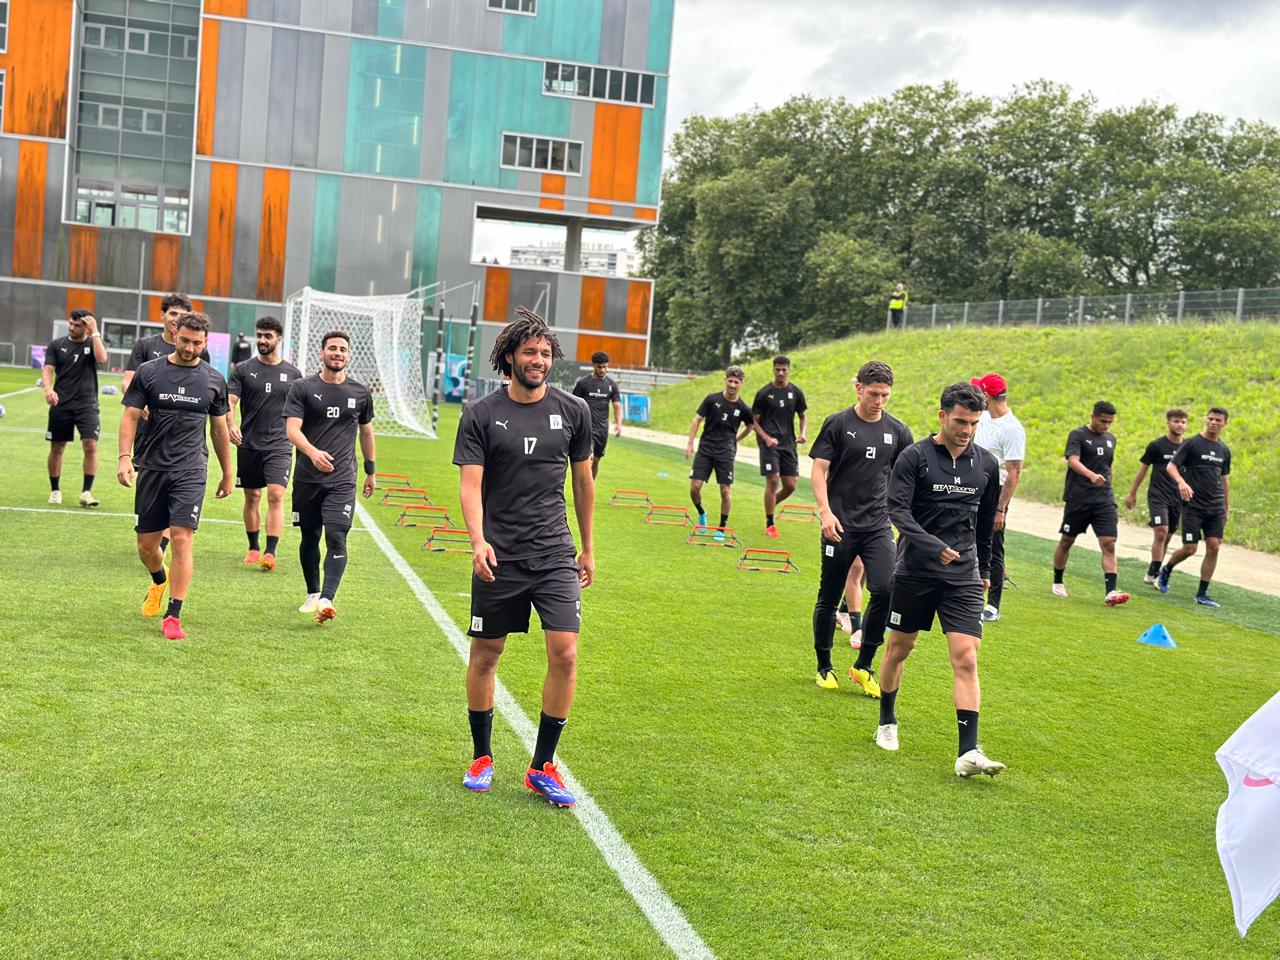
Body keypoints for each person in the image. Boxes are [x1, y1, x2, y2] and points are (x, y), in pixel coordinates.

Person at [453, 307, 595, 807]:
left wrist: (588, 546)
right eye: (530, 352)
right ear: (509, 357)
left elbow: (583, 482)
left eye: (545, 353)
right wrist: (478, 540)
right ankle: (482, 756)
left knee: (566, 653)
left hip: (554, 553)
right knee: (486, 655)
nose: (539, 360)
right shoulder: (480, 414)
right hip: (500, 555)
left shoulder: (574, 411)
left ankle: (542, 766)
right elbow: (470, 486)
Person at [877, 382, 1004, 777]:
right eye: (961, 422)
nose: (967, 430)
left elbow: (986, 523)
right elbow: (897, 511)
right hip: (915, 570)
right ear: (943, 416)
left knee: (966, 657)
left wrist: (985, 570)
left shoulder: (986, 465)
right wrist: (933, 546)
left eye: (974, 423)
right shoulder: (914, 457)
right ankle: (887, 720)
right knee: (900, 648)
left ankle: (969, 751)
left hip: (963, 575)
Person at [117, 312, 232, 641]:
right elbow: (130, 417)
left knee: (182, 538)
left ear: (205, 343)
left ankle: (173, 614)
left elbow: (219, 429)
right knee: (147, 546)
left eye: (196, 343)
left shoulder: (214, 380)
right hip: (152, 466)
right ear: (174, 334)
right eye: (184, 340)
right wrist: (124, 458)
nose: (189, 348)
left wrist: (227, 473)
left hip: (191, 468)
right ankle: (159, 579)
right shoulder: (149, 372)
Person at [809, 360, 914, 695]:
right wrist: (825, 512)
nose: (879, 401)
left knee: (886, 589)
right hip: (839, 525)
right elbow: (818, 470)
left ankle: (863, 666)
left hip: (878, 525)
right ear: (859, 389)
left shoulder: (899, 431)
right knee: (829, 596)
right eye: (873, 394)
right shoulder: (838, 423)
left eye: (885, 395)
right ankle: (824, 666)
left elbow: (906, 478)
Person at [284, 331, 376, 623]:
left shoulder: (360, 393)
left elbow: (366, 433)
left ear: (349, 356)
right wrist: (313, 453)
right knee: (309, 536)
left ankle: (326, 599)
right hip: (307, 478)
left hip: (343, 479)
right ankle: (313, 593)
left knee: (337, 536)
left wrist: (371, 471)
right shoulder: (302, 388)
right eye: (332, 348)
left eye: (343, 349)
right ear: (322, 353)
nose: (338, 353)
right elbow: (292, 429)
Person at [122, 293, 207, 557]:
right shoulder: (146, 348)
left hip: (186, 446)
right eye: (172, 313)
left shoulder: (197, 350)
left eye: (182, 315)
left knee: (179, 513)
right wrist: (142, 402)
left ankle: (166, 540)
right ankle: (153, 543)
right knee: (152, 500)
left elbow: (205, 388)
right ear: (164, 316)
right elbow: (128, 383)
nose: (176, 319)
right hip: (149, 434)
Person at [227, 316, 302, 571]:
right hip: (249, 443)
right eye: (259, 335)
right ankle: (253, 547)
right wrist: (231, 424)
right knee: (252, 496)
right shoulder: (243, 370)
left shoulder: (294, 375)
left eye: (267, 336)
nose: (262, 340)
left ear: (278, 339)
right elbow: (230, 402)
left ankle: (270, 552)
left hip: (280, 444)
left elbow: (301, 411)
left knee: (276, 494)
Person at [1052, 401, 1130, 607]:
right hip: (1078, 498)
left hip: (1104, 499)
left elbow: (1108, 467)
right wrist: (1091, 475)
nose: (1106, 425)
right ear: (1093, 416)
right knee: (1067, 540)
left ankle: (1111, 592)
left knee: (1109, 542)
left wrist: (1107, 483)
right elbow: (1073, 461)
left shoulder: (1111, 439)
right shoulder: (1077, 435)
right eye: (1103, 421)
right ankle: (1058, 581)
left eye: (1110, 422)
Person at [1157, 408, 1231, 606]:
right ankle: (1167, 569)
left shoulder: (1224, 450)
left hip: (1215, 506)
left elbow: (1224, 479)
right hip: (1193, 506)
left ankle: (1202, 594)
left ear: (1225, 424)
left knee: (1214, 546)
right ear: (1206, 420)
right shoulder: (1192, 443)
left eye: (1218, 420)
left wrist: (1226, 507)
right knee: (1190, 548)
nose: (1213, 422)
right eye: (1210, 418)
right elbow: (1171, 466)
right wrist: (1181, 482)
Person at [970, 373, 1026, 622]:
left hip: (995, 493)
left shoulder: (1012, 429)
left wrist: (1000, 508)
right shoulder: (982, 418)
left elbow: (1014, 472)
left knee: (992, 545)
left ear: (986, 395)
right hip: (974, 486)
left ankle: (992, 605)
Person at [42, 308, 108, 507]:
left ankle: (86, 492)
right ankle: (55, 490)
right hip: (61, 404)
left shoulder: (92, 343)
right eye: (70, 323)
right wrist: (48, 390)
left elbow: (102, 359)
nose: (71, 328)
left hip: (87, 405)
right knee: (57, 447)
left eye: (77, 325)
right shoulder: (56, 345)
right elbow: (47, 370)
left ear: (86, 327)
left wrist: (95, 332)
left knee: (90, 445)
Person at [685, 366, 754, 536]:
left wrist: (736, 439)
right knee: (695, 487)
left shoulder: (743, 408)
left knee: (725, 490)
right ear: (725, 380)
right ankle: (702, 513)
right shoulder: (712, 399)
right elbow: (697, 420)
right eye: (730, 381)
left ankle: (721, 528)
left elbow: (750, 425)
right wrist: (690, 443)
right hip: (706, 449)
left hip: (726, 452)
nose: (732, 385)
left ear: (741, 384)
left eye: (736, 382)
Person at [1124, 409, 1188, 586]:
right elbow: (1143, 469)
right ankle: (1155, 573)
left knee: (1167, 536)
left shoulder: (1188, 447)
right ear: (1168, 423)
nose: (1179, 425)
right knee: (1161, 531)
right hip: (1158, 496)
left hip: (1178, 498)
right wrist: (1132, 493)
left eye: (1183, 422)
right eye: (1176, 421)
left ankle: (1153, 571)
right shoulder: (1157, 445)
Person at [752, 355, 808, 538]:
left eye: (784, 370)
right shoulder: (764, 393)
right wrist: (766, 438)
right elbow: (754, 421)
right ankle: (770, 524)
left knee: (790, 486)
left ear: (789, 370)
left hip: (789, 444)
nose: (781, 373)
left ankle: (770, 503)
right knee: (773, 480)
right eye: (778, 370)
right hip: (769, 445)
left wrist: (803, 433)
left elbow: (803, 416)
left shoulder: (795, 392)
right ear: (773, 370)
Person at [571, 350, 622, 479]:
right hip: (586, 428)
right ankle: (584, 485)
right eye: (599, 367)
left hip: (602, 429)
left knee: (596, 460)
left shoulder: (611, 385)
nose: (602, 370)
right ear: (593, 365)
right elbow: (573, 405)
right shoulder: (583, 383)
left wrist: (619, 425)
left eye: (605, 366)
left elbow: (617, 406)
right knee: (589, 458)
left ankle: (590, 486)